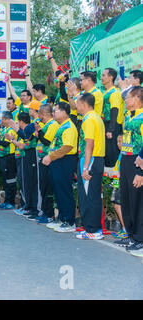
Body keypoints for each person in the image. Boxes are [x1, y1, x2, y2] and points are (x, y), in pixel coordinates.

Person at [115, 87, 143, 257]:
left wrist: (141, 171)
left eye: (128, 98)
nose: (125, 100)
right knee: (126, 199)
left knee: (138, 201)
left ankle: (140, 239)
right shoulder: (128, 115)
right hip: (126, 160)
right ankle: (131, 235)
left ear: (137, 98)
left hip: (138, 162)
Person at [42, 102, 78, 233]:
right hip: (57, 161)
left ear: (64, 112)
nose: (53, 113)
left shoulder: (68, 126)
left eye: (56, 111)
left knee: (64, 191)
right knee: (58, 191)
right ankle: (62, 218)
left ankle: (69, 221)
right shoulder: (60, 126)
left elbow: (67, 147)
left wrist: (51, 157)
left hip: (64, 161)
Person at [75, 92, 106, 240]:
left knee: (88, 196)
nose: (76, 105)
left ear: (84, 104)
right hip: (96, 159)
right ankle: (92, 228)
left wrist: (86, 167)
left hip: (90, 160)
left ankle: (92, 230)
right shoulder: (96, 117)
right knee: (92, 195)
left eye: (78, 102)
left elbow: (89, 144)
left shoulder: (88, 119)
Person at [35, 104, 59, 224]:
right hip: (42, 158)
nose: (38, 116)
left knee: (47, 188)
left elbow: (46, 141)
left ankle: (49, 214)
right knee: (43, 187)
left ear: (43, 114)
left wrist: (39, 131)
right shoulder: (45, 125)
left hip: (48, 159)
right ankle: (44, 212)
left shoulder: (53, 125)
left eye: (39, 114)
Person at [101, 68, 124, 168]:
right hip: (106, 125)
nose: (101, 78)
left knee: (113, 155)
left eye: (104, 75)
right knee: (106, 154)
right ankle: (107, 181)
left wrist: (111, 129)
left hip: (113, 126)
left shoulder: (115, 92)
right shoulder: (106, 92)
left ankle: (115, 182)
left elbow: (114, 110)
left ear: (111, 78)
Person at [0, 111, 17, 210]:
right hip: (3, 157)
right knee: (5, 180)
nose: (2, 121)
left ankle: (11, 202)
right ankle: (6, 201)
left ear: (8, 119)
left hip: (9, 158)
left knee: (10, 180)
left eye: (3, 119)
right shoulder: (5, 129)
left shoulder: (11, 130)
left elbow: (5, 144)